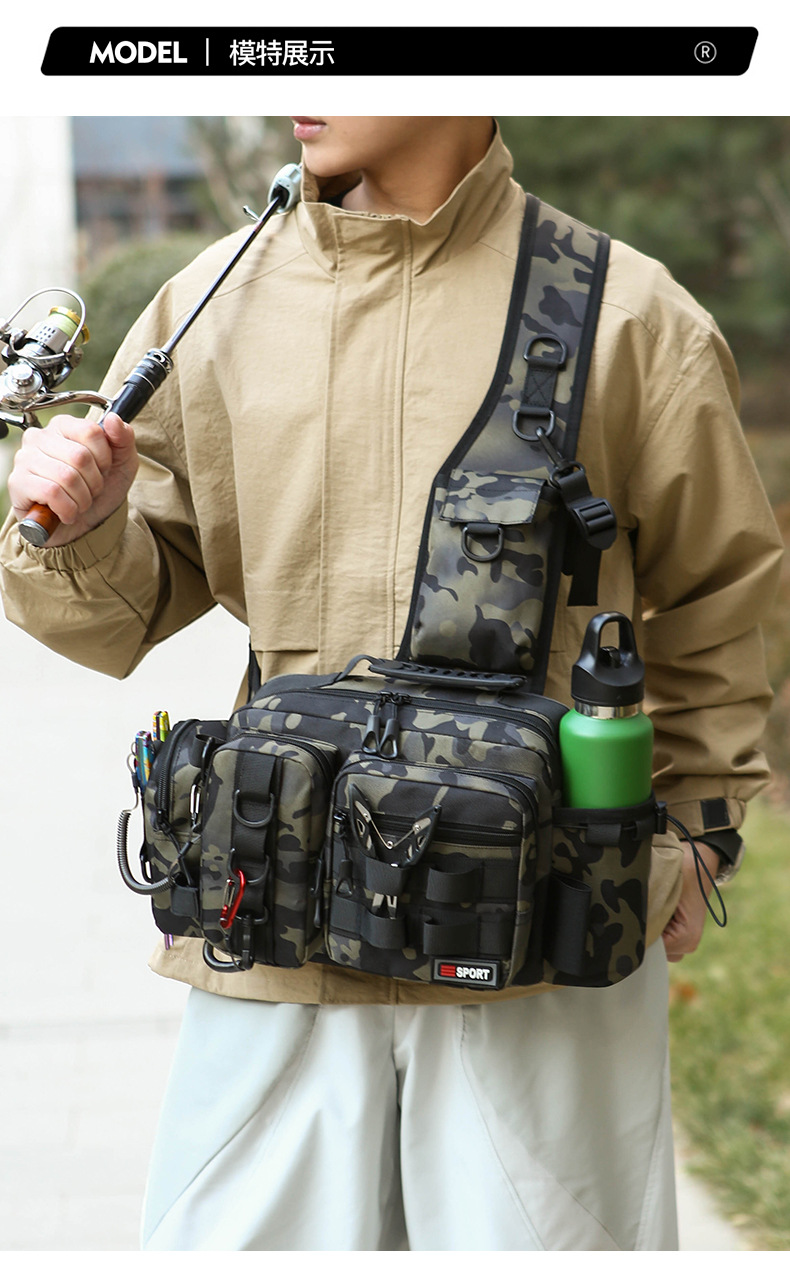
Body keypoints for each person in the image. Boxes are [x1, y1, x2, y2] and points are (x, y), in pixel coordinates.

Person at [0, 117, 782, 1252]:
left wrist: (700, 836)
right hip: (276, 939)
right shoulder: (213, 301)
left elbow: (718, 592)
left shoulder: (628, 313)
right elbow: (121, 608)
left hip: (543, 945)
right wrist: (78, 524)